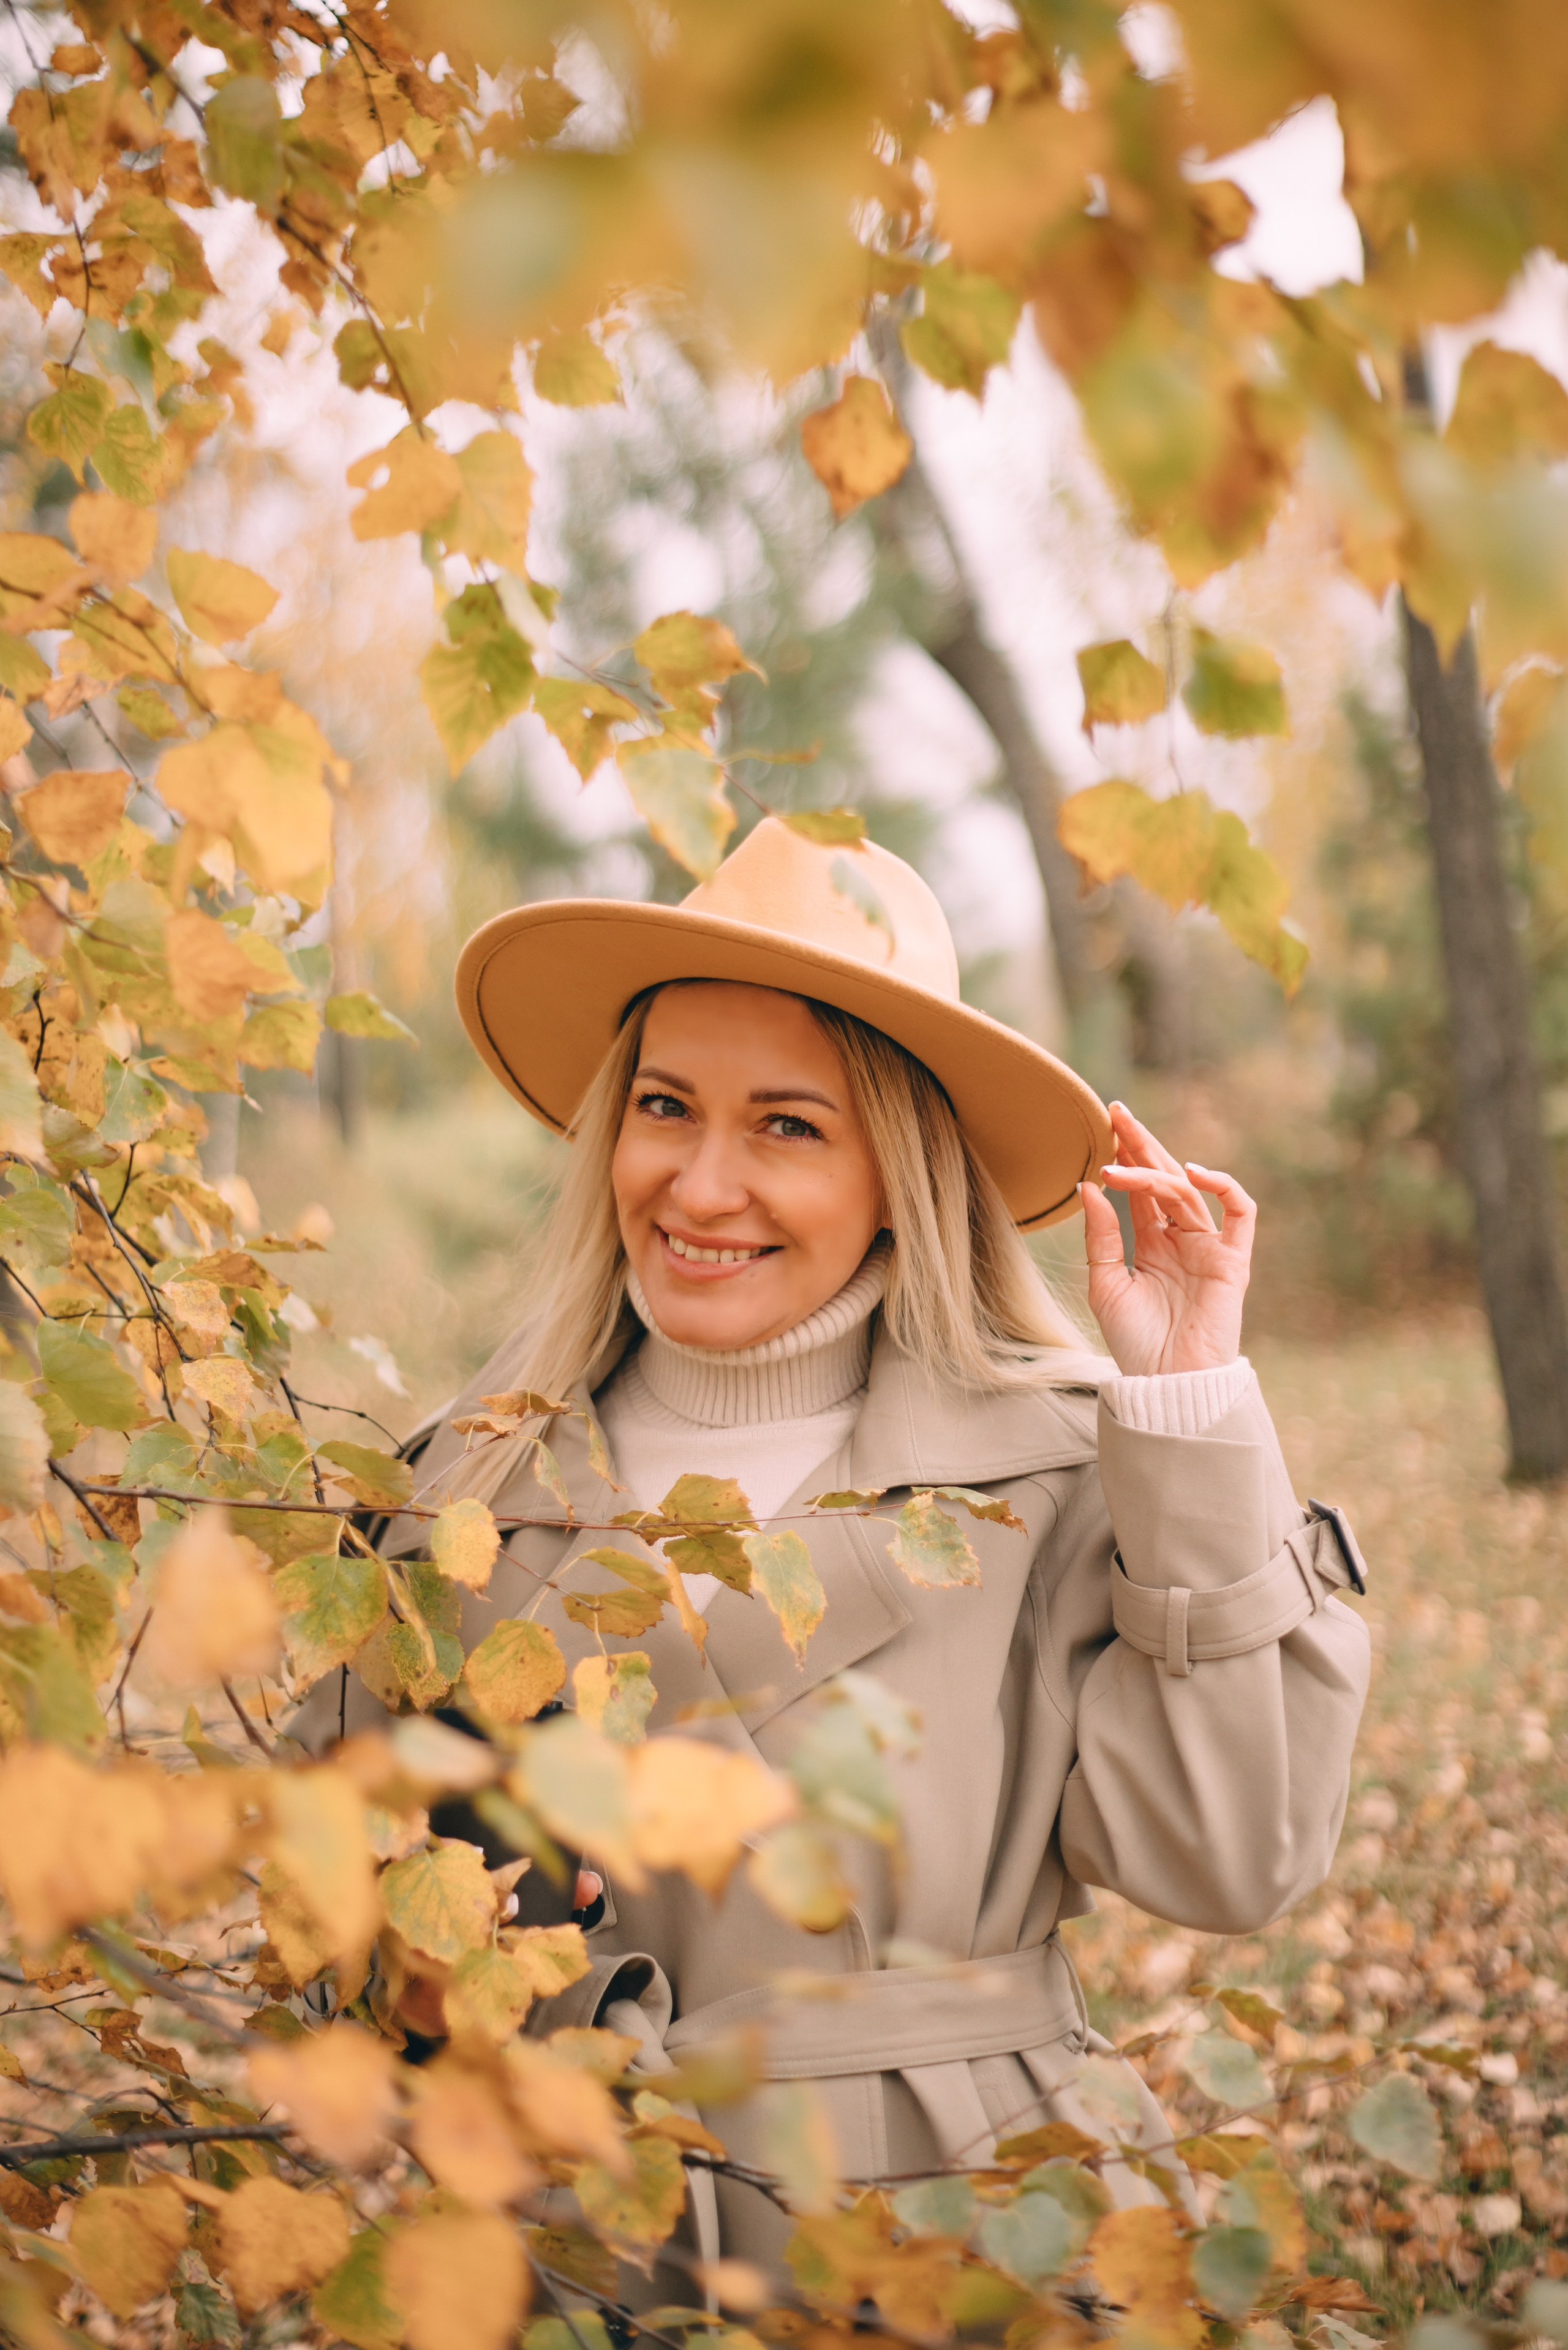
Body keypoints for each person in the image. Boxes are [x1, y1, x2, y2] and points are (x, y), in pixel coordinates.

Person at [302, 817, 1370, 2275]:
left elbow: (1230, 1856)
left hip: (970, 2233)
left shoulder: (1053, 1472)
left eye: (787, 1125)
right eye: (666, 1106)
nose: (698, 1185)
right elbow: (335, 1936)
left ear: (901, 1168)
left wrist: (1180, 1405)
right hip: (568, 2251)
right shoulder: (459, 1493)